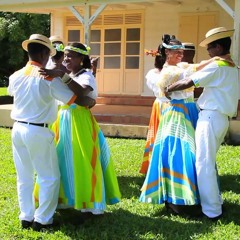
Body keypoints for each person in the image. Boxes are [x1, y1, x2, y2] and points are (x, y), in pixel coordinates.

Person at [7, 34, 93, 231]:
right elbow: (75, 99)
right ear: (45, 53)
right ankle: (44, 220)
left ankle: (26, 217)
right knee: (48, 176)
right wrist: (91, 102)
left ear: (29, 52)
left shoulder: (15, 76)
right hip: (38, 130)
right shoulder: (47, 77)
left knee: (25, 176)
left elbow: (14, 92)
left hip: (18, 128)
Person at [36, 42, 121, 216]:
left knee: (83, 158)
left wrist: (62, 75)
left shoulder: (86, 75)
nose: (66, 58)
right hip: (63, 119)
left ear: (81, 59)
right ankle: (65, 199)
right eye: (65, 55)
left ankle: (89, 202)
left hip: (80, 120)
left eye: (71, 56)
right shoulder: (65, 73)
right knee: (62, 158)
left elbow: (82, 93)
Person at [164, 27, 239, 220]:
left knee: (203, 163)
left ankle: (211, 211)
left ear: (219, 46)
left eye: (210, 47)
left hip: (211, 117)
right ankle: (216, 202)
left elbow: (190, 81)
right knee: (209, 162)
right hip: (220, 118)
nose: (208, 51)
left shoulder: (218, 66)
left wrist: (169, 88)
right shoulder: (233, 67)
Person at [139, 34, 217, 215]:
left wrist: (219, 59)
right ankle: (177, 198)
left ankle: (197, 195)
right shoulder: (166, 72)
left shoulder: (181, 67)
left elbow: (196, 66)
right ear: (166, 52)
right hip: (177, 113)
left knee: (198, 152)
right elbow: (163, 91)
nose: (181, 55)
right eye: (177, 52)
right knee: (180, 152)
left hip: (191, 111)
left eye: (182, 52)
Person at [140, 45, 165, 174]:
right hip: (162, 104)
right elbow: (161, 88)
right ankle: (156, 163)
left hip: (167, 104)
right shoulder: (153, 74)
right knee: (159, 134)